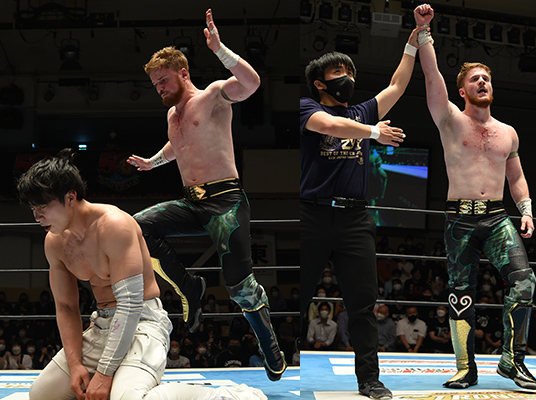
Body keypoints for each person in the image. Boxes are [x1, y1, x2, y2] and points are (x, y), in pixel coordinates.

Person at [17, 150, 267, 400]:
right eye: (33, 208)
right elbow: (66, 306)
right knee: (41, 395)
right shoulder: (55, 242)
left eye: (43, 206)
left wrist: (104, 373)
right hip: (101, 326)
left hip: (143, 324)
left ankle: (224, 395)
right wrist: (75, 365)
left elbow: (130, 304)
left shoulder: (114, 225)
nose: (37, 216)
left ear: (70, 197)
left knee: (129, 399)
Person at [126, 9, 285, 381]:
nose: (160, 88)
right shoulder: (173, 116)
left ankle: (269, 345)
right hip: (191, 203)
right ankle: (190, 287)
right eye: (155, 84)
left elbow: (251, 83)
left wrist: (220, 50)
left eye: (164, 80)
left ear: (183, 73)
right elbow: (179, 146)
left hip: (226, 203)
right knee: (137, 227)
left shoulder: (213, 95)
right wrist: (153, 162)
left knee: (240, 287)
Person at [415, 3, 536, 390]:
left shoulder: (508, 133)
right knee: (460, 294)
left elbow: (516, 177)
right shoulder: (450, 120)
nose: (483, 82)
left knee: (525, 282)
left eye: (486, 78)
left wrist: (526, 210)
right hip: (460, 219)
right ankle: (465, 367)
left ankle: (512, 361)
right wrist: (424, 33)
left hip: (498, 217)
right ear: (462, 90)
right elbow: (431, 76)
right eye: (475, 79)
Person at [300, 22, 425, 395]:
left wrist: (412, 44)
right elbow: (332, 126)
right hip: (312, 215)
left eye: (350, 72)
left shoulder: (363, 110)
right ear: (320, 83)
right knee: (300, 297)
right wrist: (374, 132)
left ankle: (369, 379)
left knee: (363, 304)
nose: (348, 78)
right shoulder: (306, 107)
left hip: (355, 218)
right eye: (339, 72)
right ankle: (283, 368)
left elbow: (397, 85)